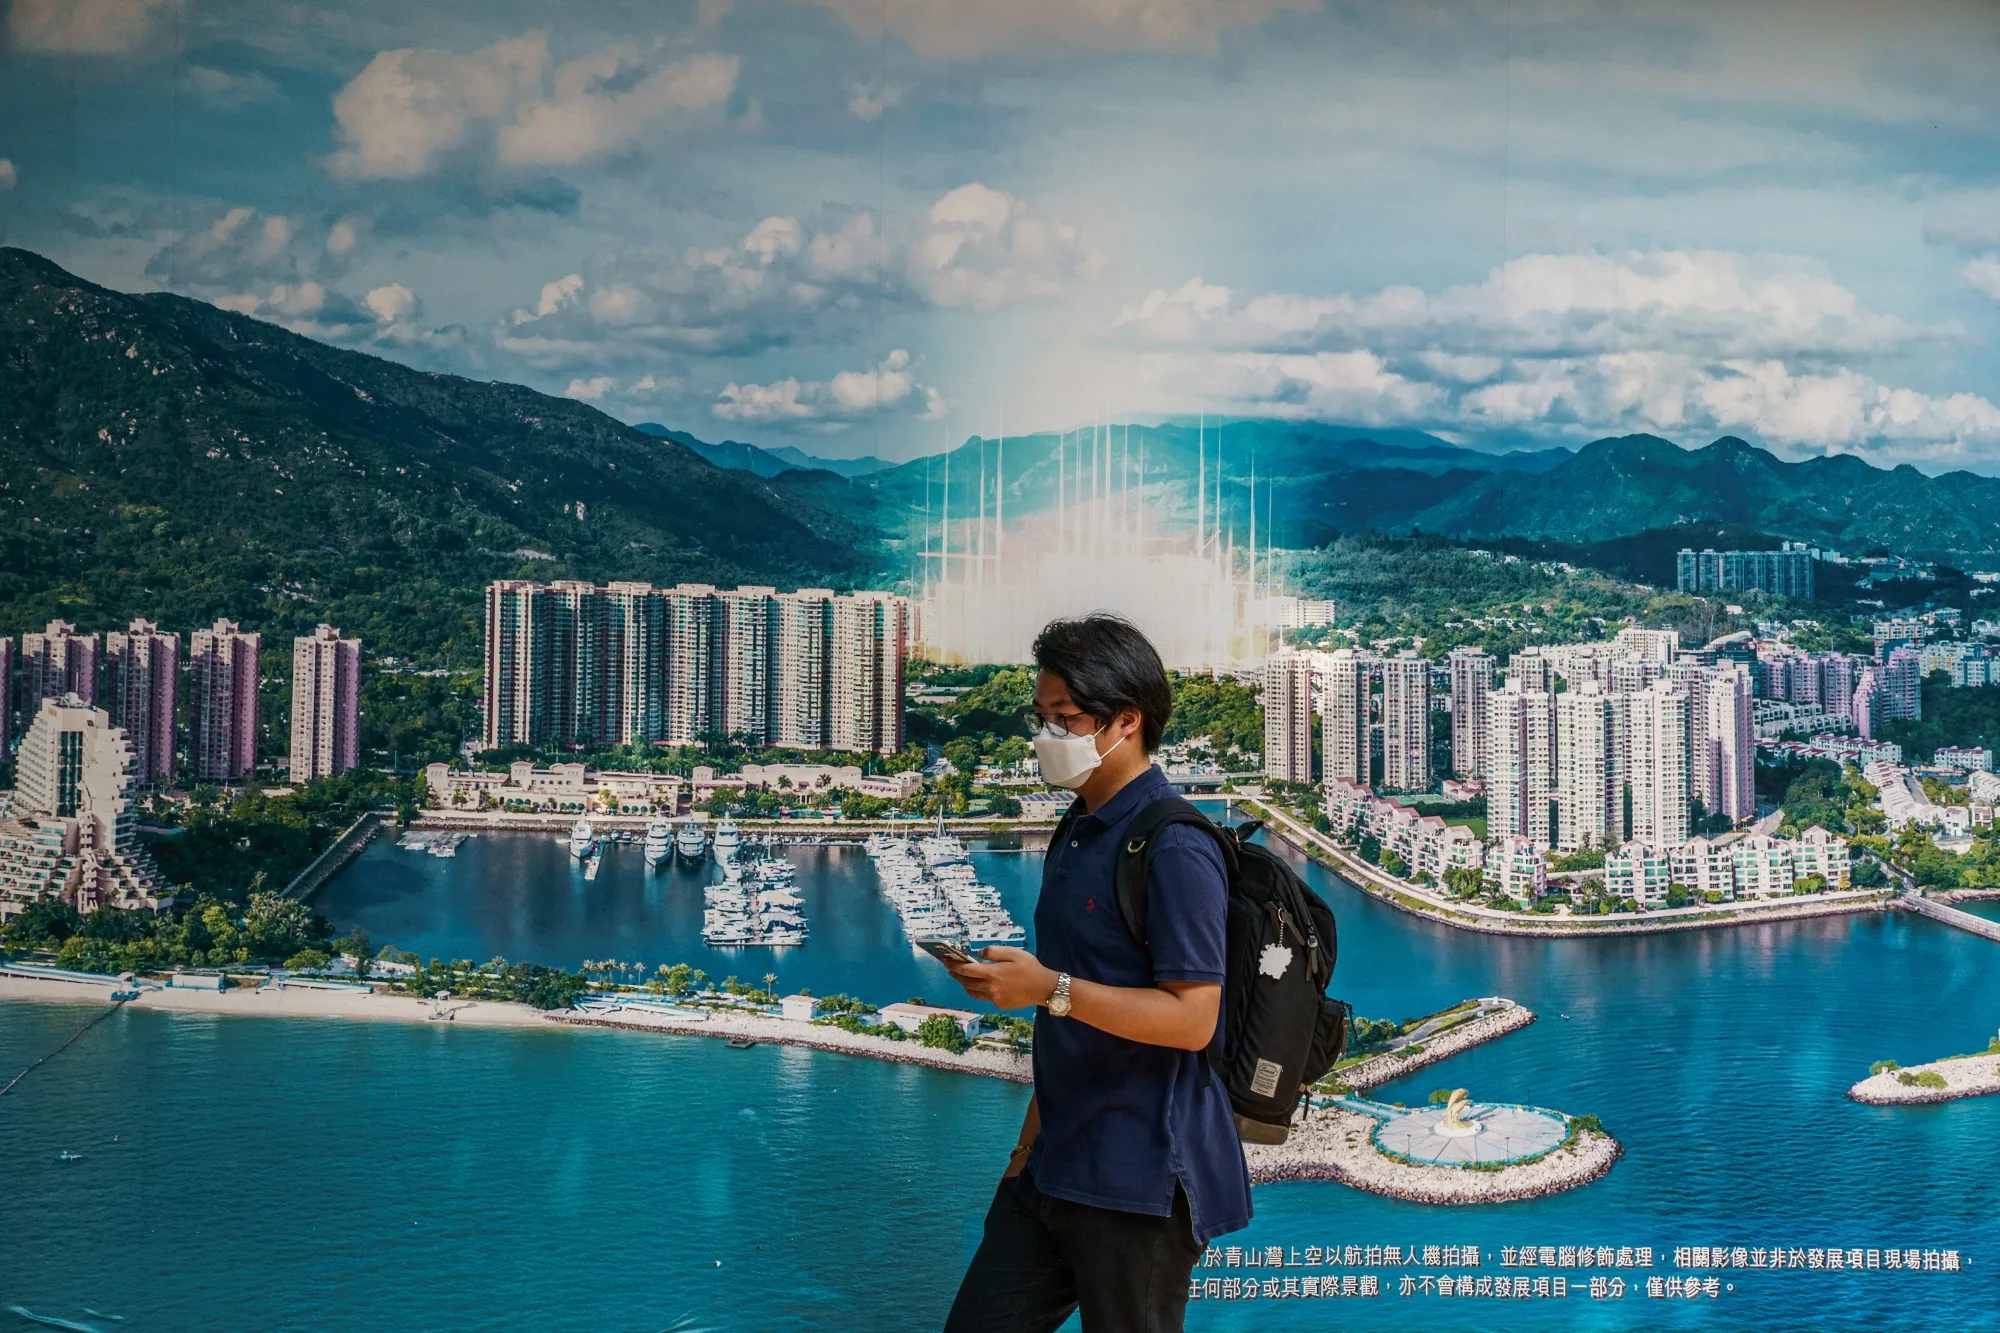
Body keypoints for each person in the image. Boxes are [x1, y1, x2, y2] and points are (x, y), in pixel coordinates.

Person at [941, 614, 1249, 1333]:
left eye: (1066, 719)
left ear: (1126, 722)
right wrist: (1023, 1153)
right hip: (1051, 1167)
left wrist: (1048, 987)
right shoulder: (1076, 827)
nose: (1048, 736)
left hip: (1137, 1185)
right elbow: (1066, 1013)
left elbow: (1193, 1015)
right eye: (1042, 717)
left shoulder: (1174, 846)